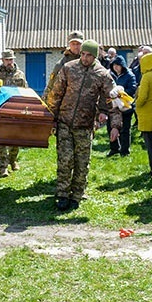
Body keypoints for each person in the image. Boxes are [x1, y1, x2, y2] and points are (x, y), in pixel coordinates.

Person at [46, 39, 121, 211]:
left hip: (85, 125)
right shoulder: (69, 68)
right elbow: (55, 94)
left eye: (89, 55)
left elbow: (113, 100)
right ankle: (62, 194)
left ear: (95, 56)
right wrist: (51, 119)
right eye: (83, 54)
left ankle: (77, 195)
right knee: (65, 161)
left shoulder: (103, 75)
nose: (85, 58)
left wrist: (115, 125)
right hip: (64, 122)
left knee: (81, 162)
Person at [0, 49, 28, 174]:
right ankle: (2, 168)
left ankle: (12, 161)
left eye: (11, 59)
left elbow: (25, 90)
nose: (10, 62)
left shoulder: (20, 74)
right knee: (1, 140)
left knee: (15, 140)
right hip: (0, 111)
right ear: (2, 60)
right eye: (7, 60)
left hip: (15, 111)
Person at [107, 55, 137, 157]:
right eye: (114, 65)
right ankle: (114, 148)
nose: (116, 67)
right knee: (111, 127)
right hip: (113, 106)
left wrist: (120, 93)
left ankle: (125, 150)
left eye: (118, 65)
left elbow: (133, 88)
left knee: (125, 129)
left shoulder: (130, 75)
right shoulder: (110, 75)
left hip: (125, 106)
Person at [44, 30, 83, 98]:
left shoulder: (88, 60)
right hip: (67, 102)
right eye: (73, 44)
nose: (76, 47)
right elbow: (51, 85)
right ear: (69, 44)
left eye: (78, 44)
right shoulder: (61, 64)